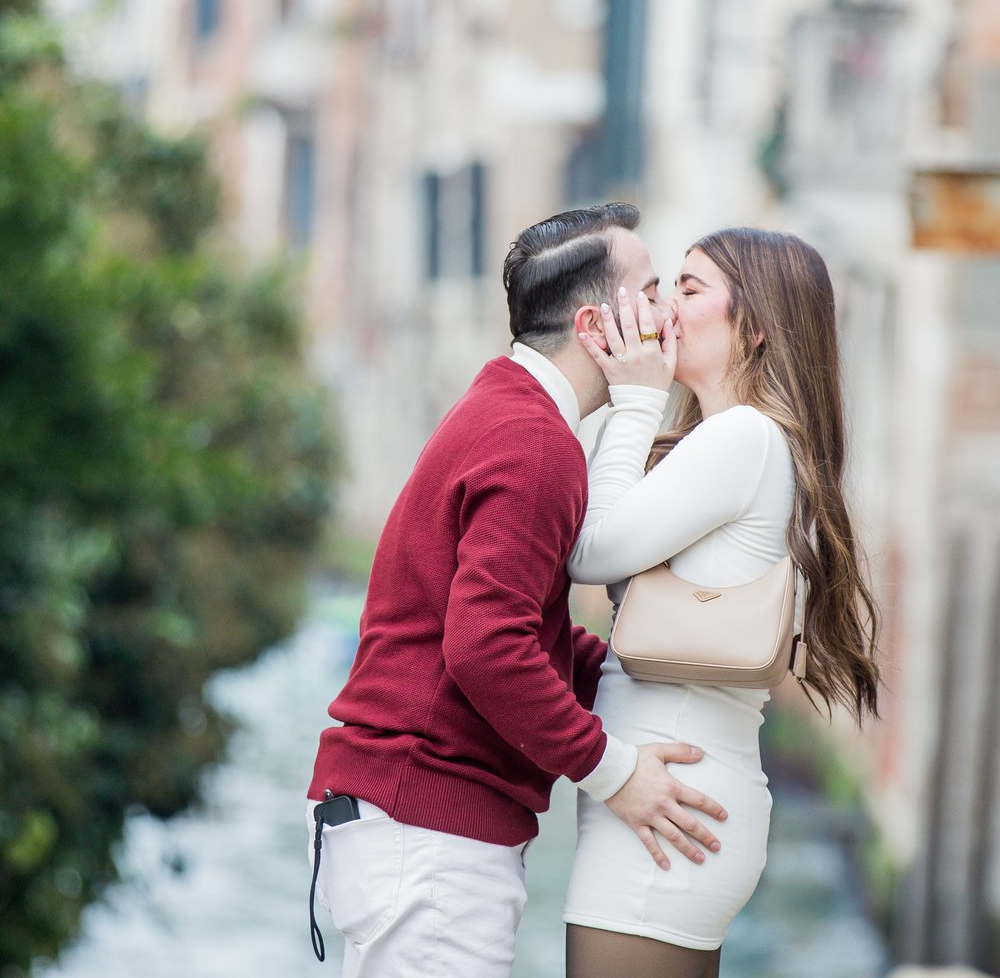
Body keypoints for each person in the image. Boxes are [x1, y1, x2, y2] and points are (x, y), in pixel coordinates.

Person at [306, 203, 729, 978]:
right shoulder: (535, 443)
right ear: (598, 328)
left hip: (407, 823)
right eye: (653, 288)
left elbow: (525, 631)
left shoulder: (510, 411)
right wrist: (614, 771)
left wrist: (651, 674)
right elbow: (485, 647)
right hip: (425, 826)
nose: (668, 310)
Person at [561, 228, 884, 978]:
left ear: (758, 324)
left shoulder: (742, 437)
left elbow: (592, 550)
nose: (665, 307)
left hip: (665, 816)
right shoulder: (741, 441)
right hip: (682, 801)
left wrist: (635, 398)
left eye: (690, 288)